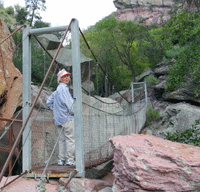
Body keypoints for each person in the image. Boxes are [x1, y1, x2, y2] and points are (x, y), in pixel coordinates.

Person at [46, 69, 75, 166]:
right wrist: (75, 113)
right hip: (67, 118)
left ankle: (61, 160)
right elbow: (69, 104)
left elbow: (48, 102)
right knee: (70, 139)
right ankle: (70, 160)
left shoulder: (56, 91)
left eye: (67, 76)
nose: (67, 78)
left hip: (58, 120)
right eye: (64, 76)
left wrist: (55, 110)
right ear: (60, 79)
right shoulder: (64, 89)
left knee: (62, 140)